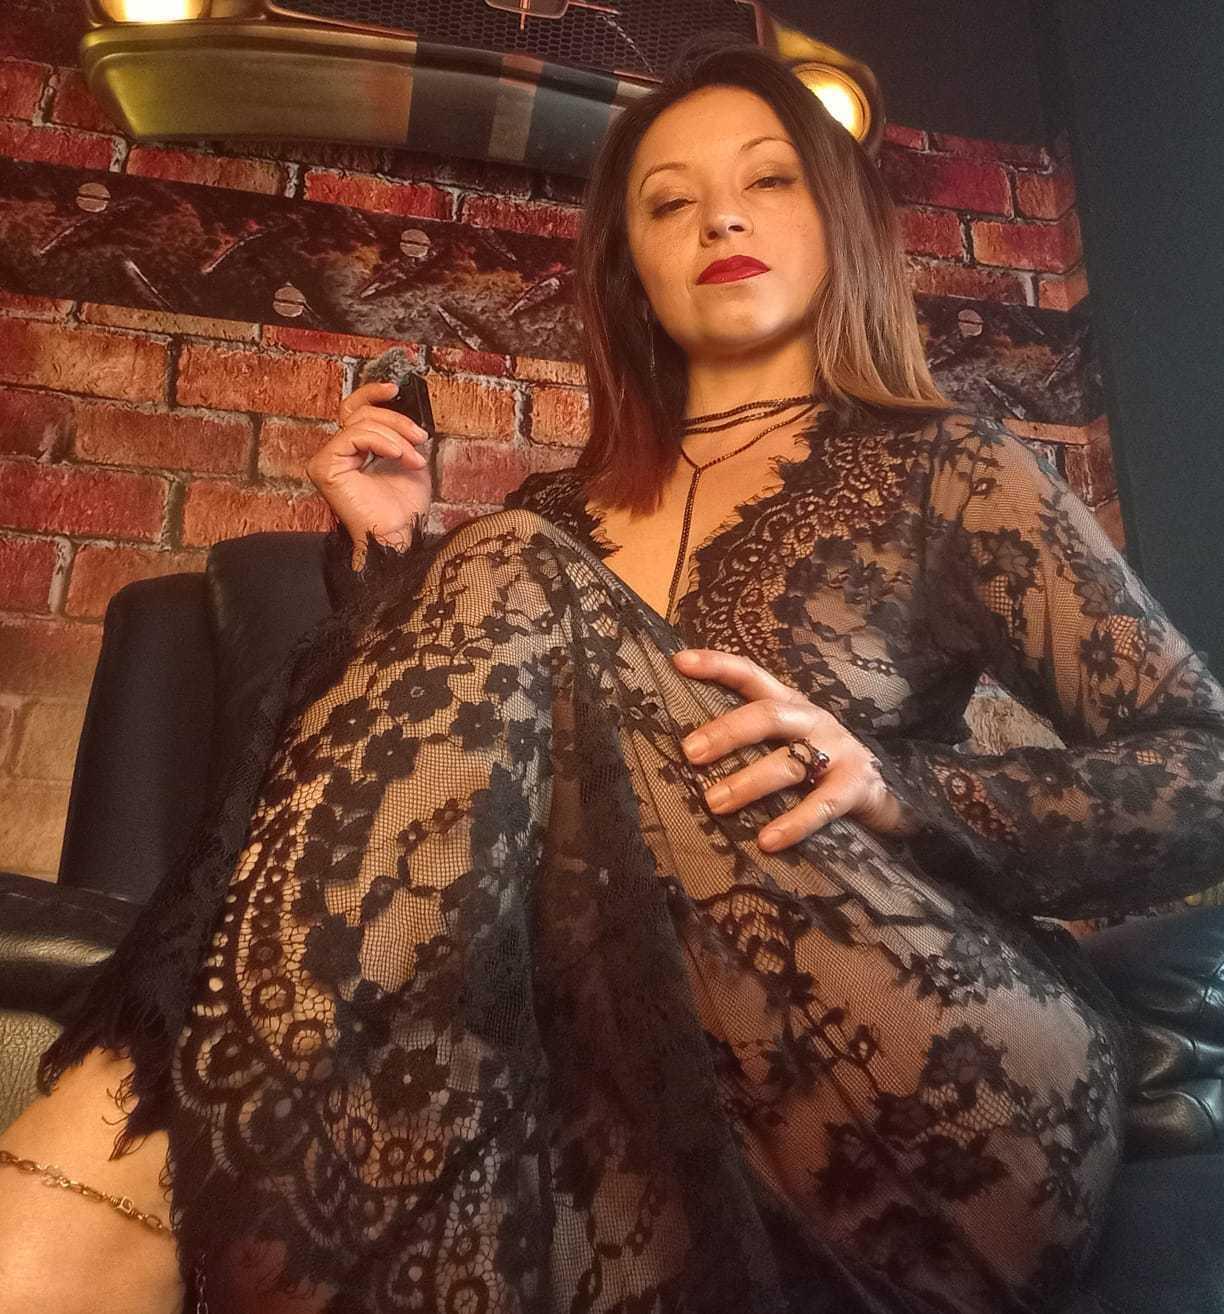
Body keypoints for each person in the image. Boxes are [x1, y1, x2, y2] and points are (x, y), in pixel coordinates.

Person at [4, 30, 1224, 1314]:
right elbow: (387, 857)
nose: (720, 220)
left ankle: (109, 1179)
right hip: (641, 1113)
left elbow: (1204, 771)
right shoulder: (550, 520)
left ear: (839, 221)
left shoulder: (953, 469)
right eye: (668, 203)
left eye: (768, 180)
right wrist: (389, 565)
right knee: (499, 563)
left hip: (933, 1068)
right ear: (629, 264)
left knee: (503, 560)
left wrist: (895, 786)